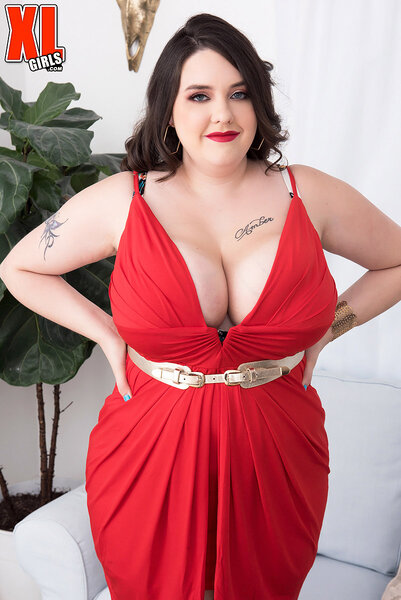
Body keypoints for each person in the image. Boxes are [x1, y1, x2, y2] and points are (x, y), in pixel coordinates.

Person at [1, 11, 401, 600]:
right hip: (147, 449)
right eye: (199, 95)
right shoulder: (124, 199)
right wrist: (108, 333)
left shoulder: (307, 192)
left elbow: (395, 261)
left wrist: (327, 330)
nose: (223, 114)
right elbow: (19, 267)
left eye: (239, 93)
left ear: (259, 103)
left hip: (279, 449)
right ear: (168, 108)